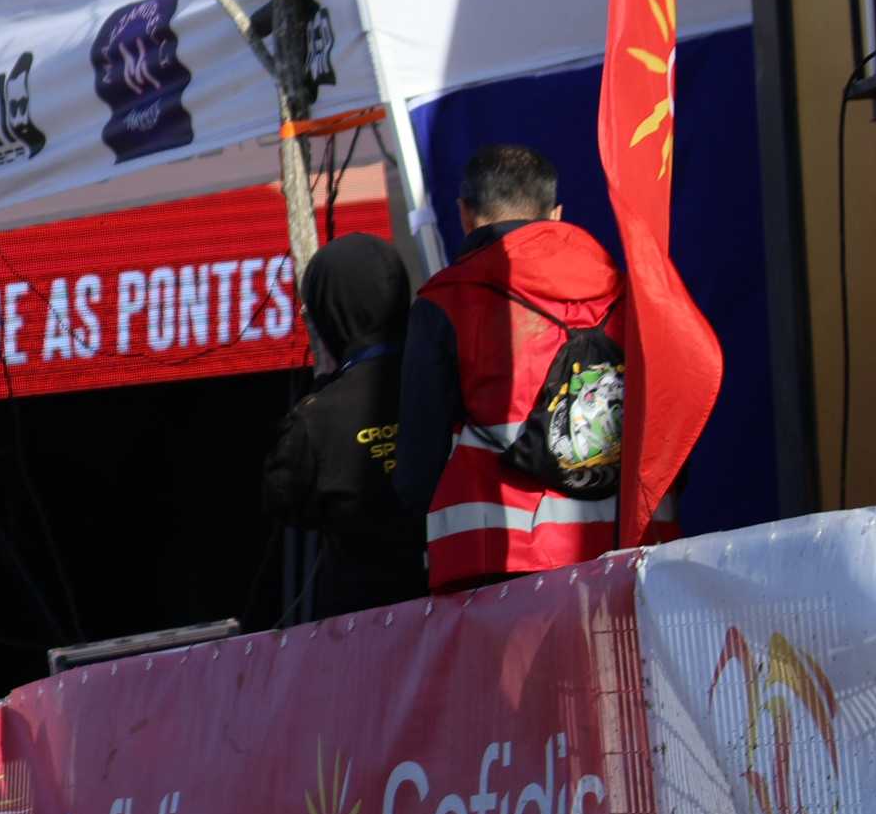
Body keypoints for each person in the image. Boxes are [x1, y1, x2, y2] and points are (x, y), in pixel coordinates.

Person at [396, 144, 664, 593]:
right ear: (556, 214)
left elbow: (417, 470)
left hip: (498, 565)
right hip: (632, 557)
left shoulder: (445, 302)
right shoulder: (631, 292)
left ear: (465, 215)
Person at [263, 233, 427, 618]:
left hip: (362, 628)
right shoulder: (441, 381)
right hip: (454, 608)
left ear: (328, 311)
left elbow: (282, 500)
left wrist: (324, 380)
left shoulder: (316, 418)